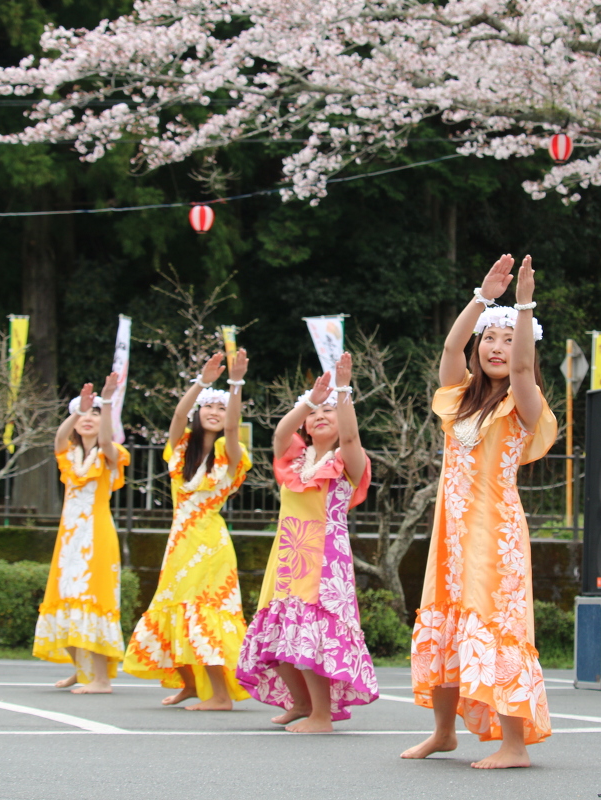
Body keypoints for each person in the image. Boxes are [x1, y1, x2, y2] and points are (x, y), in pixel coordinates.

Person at [403, 254, 557, 769]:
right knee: (446, 619)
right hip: (452, 532)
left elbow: (518, 368)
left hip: (497, 534)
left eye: (510, 340)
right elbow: (450, 346)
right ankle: (443, 732)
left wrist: (523, 306)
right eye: (490, 339)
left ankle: (514, 745)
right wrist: (482, 298)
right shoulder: (459, 397)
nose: (497, 348)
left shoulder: (525, 402)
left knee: (497, 623)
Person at [237, 352, 377, 733]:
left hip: (323, 561)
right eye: (315, 414)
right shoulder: (297, 457)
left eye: (328, 412)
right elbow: (281, 434)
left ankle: (322, 715)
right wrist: (307, 401)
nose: (319, 417)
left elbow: (349, 434)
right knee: (279, 633)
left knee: (311, 637)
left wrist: (344, 391)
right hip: (286, 557)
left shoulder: (349, 459)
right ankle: (301, 704)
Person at [123, 350, 253, 710]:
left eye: (221, 408)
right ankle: (191, 684)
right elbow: (179, 414)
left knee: (200, 611)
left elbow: (230, 428)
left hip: (210, 544)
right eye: (209, 407)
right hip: (179, 541)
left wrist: (235, 383)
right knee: (173, 608)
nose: (214, 412)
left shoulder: (233, 453)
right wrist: (202, 382)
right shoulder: (180, 450)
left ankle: (221, 696)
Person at [35, 373, 130, 694]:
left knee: (94, 598)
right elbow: (58, 441)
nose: (88, 420)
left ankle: (101, 679)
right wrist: (78, 409)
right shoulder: (69, 456)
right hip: (69, 539)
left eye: (95, 416)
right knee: (64, 597)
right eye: (83, 416)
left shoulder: (112, 453)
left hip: (97, 536)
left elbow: (105, 442)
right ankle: (82, 669)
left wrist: (104, 400)